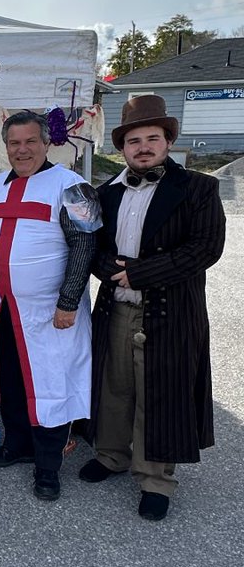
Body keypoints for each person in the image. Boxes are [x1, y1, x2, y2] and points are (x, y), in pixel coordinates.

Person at [82, 95, 225, 521]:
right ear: (122, 148)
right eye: (134, 141)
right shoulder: (104, 193)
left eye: (152, 138)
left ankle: (156, 479)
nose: (143, 147)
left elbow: (205, 248)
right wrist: (111, 270)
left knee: (160, 394)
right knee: (114, 386)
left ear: (167, 142)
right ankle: (111, 455)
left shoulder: (199, 188)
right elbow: (91, 247)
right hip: (116, 307)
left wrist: (140, 274)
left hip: (170, 311)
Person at [0, 110, 99, 501]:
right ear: (5, 146)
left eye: (29, 142)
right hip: (6, 308)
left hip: (52, 312)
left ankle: (48, 466)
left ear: (46, 143)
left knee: (50, 386)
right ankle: (18, 445)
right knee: (12, 381)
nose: (21, 150)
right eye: (14, 143)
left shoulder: (73, 187)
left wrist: (68, 301)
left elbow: (85, 245)